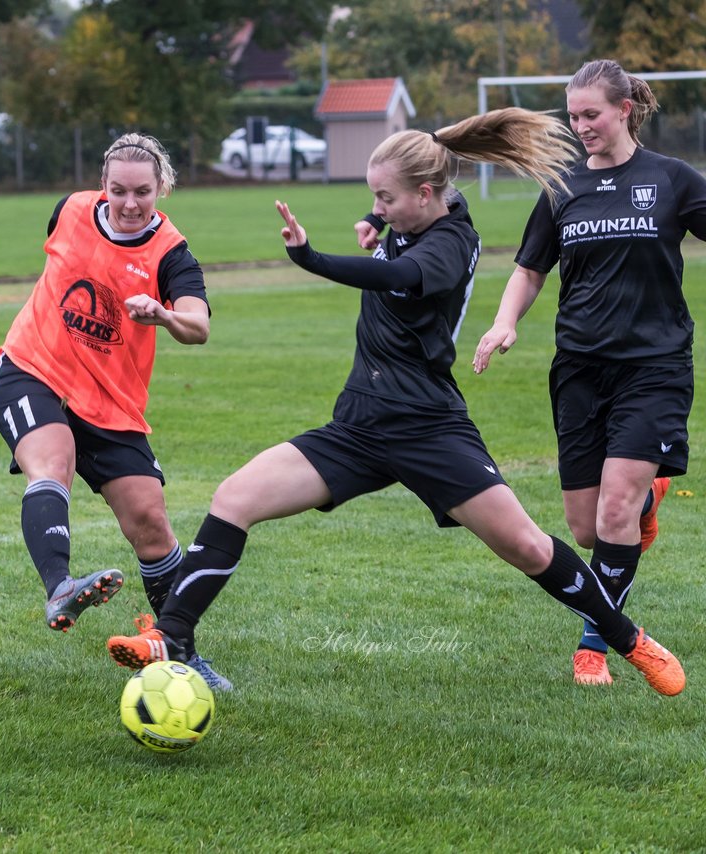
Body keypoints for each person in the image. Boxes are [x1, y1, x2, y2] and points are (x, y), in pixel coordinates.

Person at [107, 108, 686, 697]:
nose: (376, 209)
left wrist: (310, 257)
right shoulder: (419, 208)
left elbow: (396, 274)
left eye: (383, 198)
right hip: (359, 422)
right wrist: (373, 216)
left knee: (529, 547)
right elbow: (396, 219)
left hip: (427, 427)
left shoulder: (450, 245)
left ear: (425, 194)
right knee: (234, 497)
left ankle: (629, 640)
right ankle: (171, 636)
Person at [473, 60, 706, 687]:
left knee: (612, 516)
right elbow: (529, 269)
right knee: (584, 524)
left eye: (591, 115)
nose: (581, 128)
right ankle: (649, 497)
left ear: (624, 108)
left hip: (654, 368)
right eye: (573, 117)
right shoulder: (562, 187)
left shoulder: (672, 179)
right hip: (578, 369)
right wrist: (505, 322)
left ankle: (593, 647)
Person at [0, 132, 233, 690]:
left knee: (149, 522)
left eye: (142, 193)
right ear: (102, 185)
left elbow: (199, 325)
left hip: (113, 403)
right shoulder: (70, 210)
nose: (128, 203)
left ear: (162, 189)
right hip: (33, 368)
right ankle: (60, 588)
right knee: (53, 461)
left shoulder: (171, 253)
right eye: (118, 190)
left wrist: (164, 316)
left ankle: (179, 650)